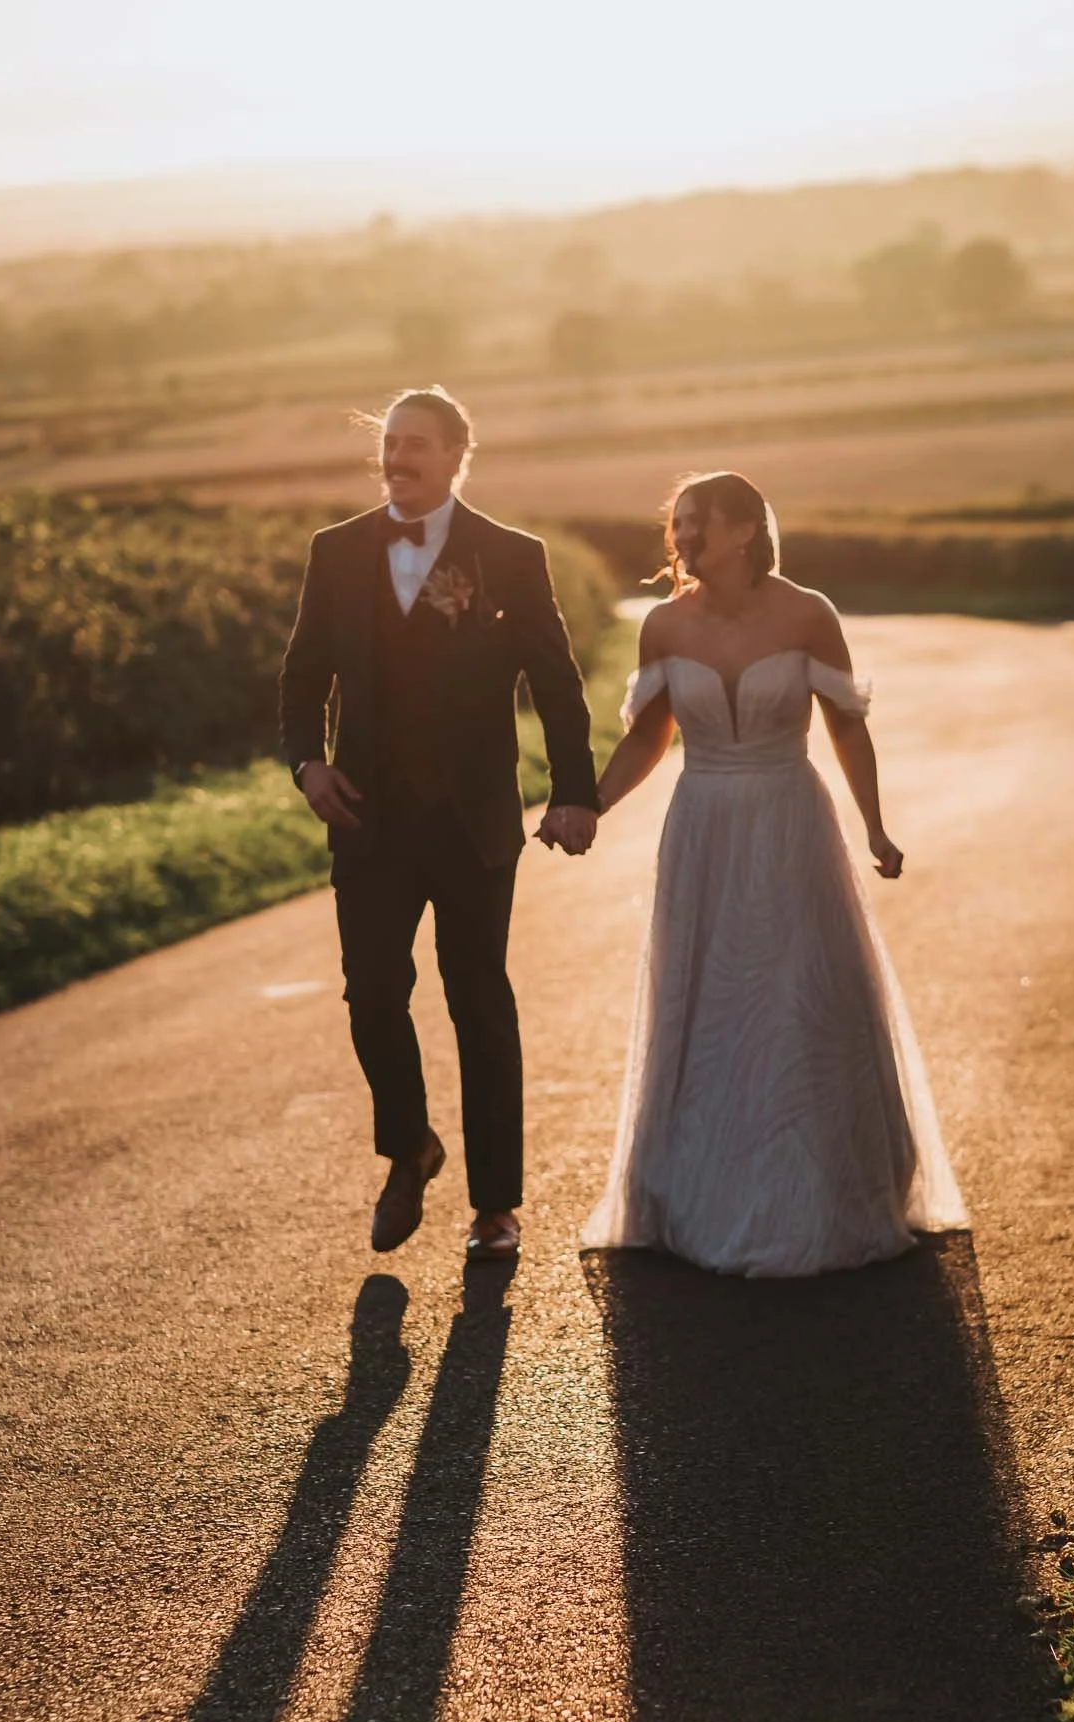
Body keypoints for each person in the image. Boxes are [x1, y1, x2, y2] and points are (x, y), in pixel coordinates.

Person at [582, 471, 966, 1278]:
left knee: (798, 998)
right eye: (675, 523)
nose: (680, 537)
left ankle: (817, 1196)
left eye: (695, 523)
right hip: (702, 832)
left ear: (744, 531)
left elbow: (847, 728)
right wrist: (587, 807)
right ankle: (697, 1195)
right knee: (709, 1002)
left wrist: (874, 823)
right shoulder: (662, 626)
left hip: (790, 822)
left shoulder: (807, 613)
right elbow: (648, 740)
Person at [280, 386, 598, 1260]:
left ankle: (495, 1206)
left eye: (416, 443)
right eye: (389, 442)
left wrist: (573, 790)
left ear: (460, 454)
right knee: (372, 995)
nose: (397, 457)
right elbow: (302, 675)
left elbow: (557, 683)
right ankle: (410, 1144)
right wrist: (307, 763)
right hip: (368, 821)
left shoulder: (511, 555)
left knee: (477, 1001)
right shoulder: (336, 551)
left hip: (473, 823)